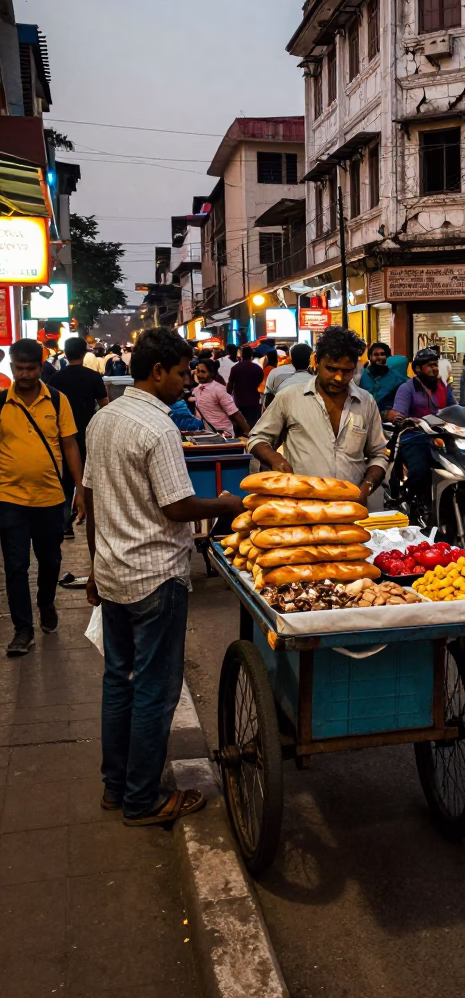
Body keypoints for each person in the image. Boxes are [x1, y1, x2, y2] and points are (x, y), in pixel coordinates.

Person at [83, 327, 249, 823]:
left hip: (113, 572)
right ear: (158, 372)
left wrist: (94, 565)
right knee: (155, 689)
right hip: (155, 575)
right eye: (180, 374)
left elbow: (90, 498)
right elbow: (177, 506)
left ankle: (116, 787)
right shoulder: (157, 429)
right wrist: (224, 504)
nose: (186, 383)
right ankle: (142, 799)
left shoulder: (103, 419)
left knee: (119, 682)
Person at [0, 338, 85, 656]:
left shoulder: (57, 401)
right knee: (15, 566)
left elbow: (70, 446)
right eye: (19, 368)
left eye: (30, 368)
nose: (24, 374)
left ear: (41, 367)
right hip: (9, 499)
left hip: (51, 499)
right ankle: (23, 630)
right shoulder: (1, 403)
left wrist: (80, 491)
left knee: (50, 561)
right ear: (11, 367)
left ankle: (46, 601)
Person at [247, 326, 387, 508]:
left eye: (347, 371)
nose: (338, 377)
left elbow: (379, 455)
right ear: (316, 361)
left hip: (350, 509)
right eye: (331, 368)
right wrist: (278, 462)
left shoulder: (366, 402)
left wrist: (366, 488)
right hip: (300, 510)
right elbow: (257, 438)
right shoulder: (290, 397)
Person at [51, 336, 109, 538]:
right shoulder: (93, 377)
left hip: (63, 435)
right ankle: (91, 517)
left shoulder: (56, 378)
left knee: (65, 480)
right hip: (88, 435)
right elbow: (105, 405)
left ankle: (66, 524)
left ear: (65, 353)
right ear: (84, 354)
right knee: (89, 478)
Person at [387, 347, 455, 502]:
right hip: (416, 438)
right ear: (418, 369)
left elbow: (454, 407)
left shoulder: (443, 387)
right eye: (430, 365)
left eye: (436, 364)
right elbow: (399, 411)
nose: (435, 368)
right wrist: (400, 418)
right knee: (419, 471)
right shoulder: (407, 388)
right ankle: (414, 502)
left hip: (443, 437)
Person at [193, 358, 250, 435]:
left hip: (224, 434)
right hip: (208, 433)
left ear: (212, 373)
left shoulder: (219, 390)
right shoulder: (197, 390)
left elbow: (233, 412)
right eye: (198, 371)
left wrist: (247, 430)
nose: (199, 375)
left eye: (203, 372)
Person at [358, 341, 406, 413]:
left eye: (382, 354)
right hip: (363, 415)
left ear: (387, 357)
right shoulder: (360, 375)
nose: (379, 357)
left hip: (387, 418)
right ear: (370, 357)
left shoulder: (396, 377)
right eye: (376, 354)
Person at [263, 341, 314, 406]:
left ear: (291, 358)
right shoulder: (316, 379)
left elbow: (268, 401)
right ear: (310, 360)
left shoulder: (275, 373)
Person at [226, 345, 264, 426]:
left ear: (241, 355)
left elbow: (229, 387)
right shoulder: (258, 368)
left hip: (239, 402)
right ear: (252, 355)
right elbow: (261, 386)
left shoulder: (235, 368)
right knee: (253, 426)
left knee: (240, 426)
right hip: (254, 402)